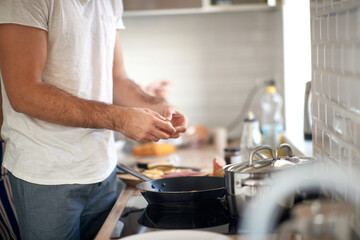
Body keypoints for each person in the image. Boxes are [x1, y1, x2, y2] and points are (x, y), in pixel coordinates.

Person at [0, 0, 188, 239]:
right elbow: (24, 93)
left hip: (103, 172)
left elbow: (117, 79)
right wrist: (120, 118)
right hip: (47, 176)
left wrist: (156, 105)